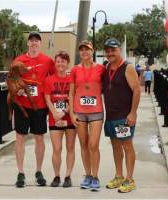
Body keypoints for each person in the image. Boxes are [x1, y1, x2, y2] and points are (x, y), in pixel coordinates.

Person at [12, 32, 55, 188]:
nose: (34, 43)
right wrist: (16, 89)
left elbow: (54, 79)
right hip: (22, 105)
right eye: (31, 40)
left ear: (40, 44)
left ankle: (38, 171)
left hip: (40, 106)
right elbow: (11, 79)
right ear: (28, 44)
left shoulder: (47, 61)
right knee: (20, 138)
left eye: (37, 41)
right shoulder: (19, 60)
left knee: (39, 138)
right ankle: (21, 173)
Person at [102, 38, 141, 193]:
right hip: (110, 116)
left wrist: (132, 113)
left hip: (123, 116)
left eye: (113, 50)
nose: (110, 53)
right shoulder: (106, 67)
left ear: (119, 50)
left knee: (127, 145)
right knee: (115, 146)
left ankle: (129, 179)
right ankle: (119, 176)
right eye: (108, 50)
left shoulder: (127, 67)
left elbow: (137, 90)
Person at [69, 40, 105, 191]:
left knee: (93, 145)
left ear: (92, 51)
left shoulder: (101, 68)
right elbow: (71, 93)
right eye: (82, 50)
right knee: (83, 145)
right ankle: (88, 175)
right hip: (80, 112)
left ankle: (96, 177)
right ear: (79, 52)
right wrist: (71, 113)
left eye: (87, 49)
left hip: (96, 111)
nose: (84, 52)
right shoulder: (75, 70)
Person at [44, 51, 76, 188]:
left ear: (67, 63)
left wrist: (63, 112)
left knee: (70, 147)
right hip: (54, 118)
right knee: (57, 149)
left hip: (69, 117)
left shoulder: (71, 80)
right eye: (58, 61)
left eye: (63, 61)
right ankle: (56, 176)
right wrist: (54, 113)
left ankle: (68, 176)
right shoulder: (49, 79)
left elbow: (72, 98)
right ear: (55, 63)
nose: (60, 64)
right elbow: (47, 98)